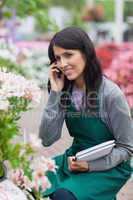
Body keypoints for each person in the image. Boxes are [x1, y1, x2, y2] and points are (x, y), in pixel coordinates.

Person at [39, 27, 133, 200]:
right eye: (58, 58)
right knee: (33, 180)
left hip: (110, 167)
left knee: (63, 196)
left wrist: (90, 166)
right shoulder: (65, 90)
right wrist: (55, 93)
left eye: (68, 55)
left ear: (85, 53)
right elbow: (47, 139)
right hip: (74, 160)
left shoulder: (111, 94)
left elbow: (127, 148)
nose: (62, 63)